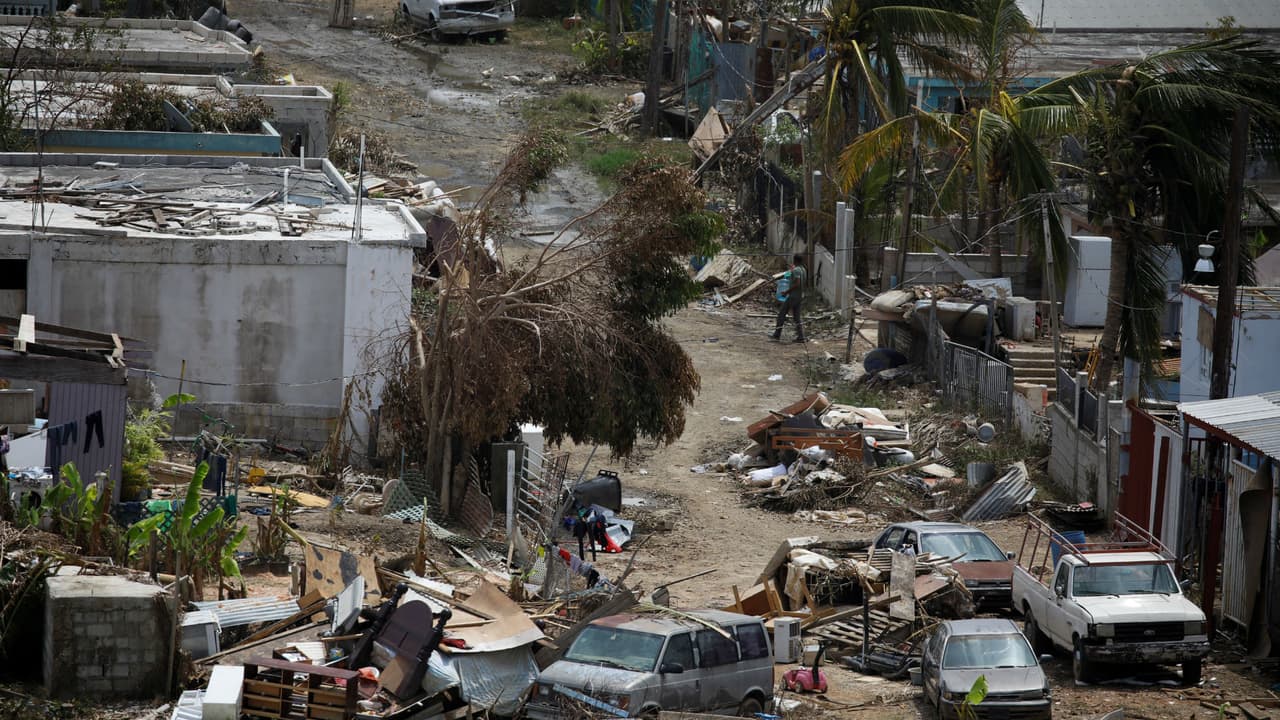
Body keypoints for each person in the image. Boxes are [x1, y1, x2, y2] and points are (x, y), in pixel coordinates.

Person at [772, 254, 807, 343]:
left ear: (795, 260)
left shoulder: (796, 270)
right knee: (797, 317)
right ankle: (801, 336)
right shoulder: (803, 270)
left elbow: (797, 283)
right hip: (800, 296)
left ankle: (777, 333)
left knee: (782, 314)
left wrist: (786, 292)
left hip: (793, 296)